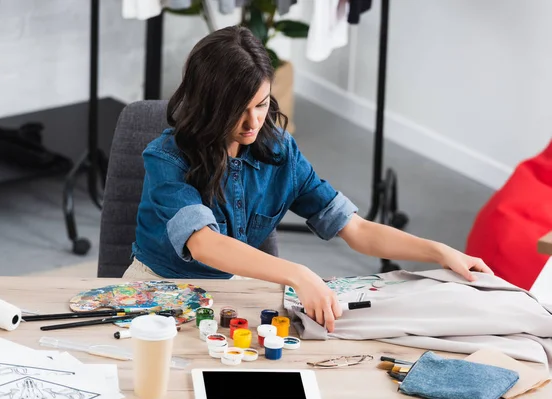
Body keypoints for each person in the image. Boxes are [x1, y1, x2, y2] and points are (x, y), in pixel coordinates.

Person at [123, 26, 493, 332]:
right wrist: (298, 274)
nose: (253, 123)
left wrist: (441, 251)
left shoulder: (281, 152)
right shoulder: (167, 157)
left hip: (231, 293)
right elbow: (205, 245)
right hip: (154, 292)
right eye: (238, 111)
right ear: (210, 104)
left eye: (262, 104)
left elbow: (357, 230)